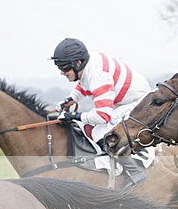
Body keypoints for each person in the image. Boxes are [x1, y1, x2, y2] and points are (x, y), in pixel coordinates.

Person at [49, 37, 151, 184]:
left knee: (99, 132)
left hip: (137, 101)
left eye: (64, 68)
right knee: (87, 126)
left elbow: (103, 116)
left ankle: (134, 171)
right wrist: (71, 98)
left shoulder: (98, 76)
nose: (62, 73)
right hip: (122, 98)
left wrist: (73, 115)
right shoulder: (88, 64)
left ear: (78, 63)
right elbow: (83, 84)